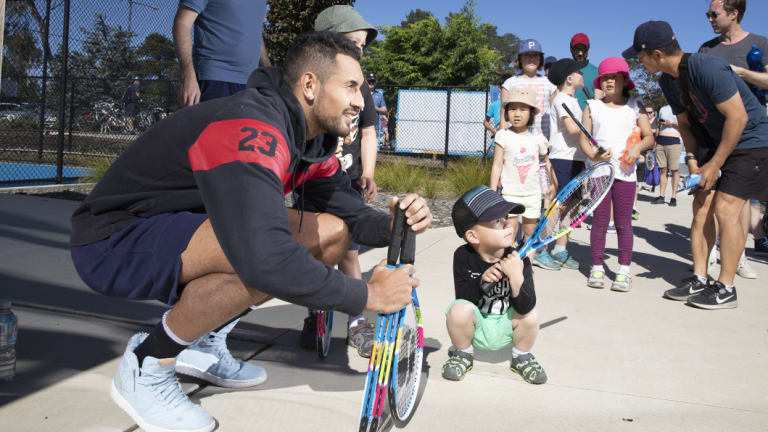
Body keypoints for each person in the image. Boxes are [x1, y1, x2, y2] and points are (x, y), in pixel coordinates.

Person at [69, 32, 432, 431]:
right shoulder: (252, 127)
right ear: (309, 85)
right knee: (270, 254)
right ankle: (148, 364)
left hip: (182, 228)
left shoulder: (312, 142)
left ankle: (203, 341)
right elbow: (267, 258)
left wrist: (398, 222)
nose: (362, 102)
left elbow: (350, 217)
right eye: (350, 87)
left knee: (330, 233)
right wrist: (368, 295)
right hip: (113, 239)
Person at [624, 20, 768, 309]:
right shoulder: (667, 80)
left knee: (726, 208)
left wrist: (715, 164)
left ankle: (726, 287)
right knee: (701, 206)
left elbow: (738, 119)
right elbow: (686, 125)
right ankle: (700, 277)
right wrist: (693, 162)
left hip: (751, 142)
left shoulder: (706, 67)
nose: (637, 61)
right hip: (714, 142)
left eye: (639, 55)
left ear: (656, 53)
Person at [300, 5, 381, 359]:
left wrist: (369, 172)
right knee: (315, 250)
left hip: (345, 181)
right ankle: (316, 315)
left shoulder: (360, 89)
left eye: (362, 45)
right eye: (352, 43)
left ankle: (356, 322)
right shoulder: (312, 83)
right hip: (311, 182)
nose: (359, 51)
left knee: (349, 252)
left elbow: (368, 133)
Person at [443, 185, 546, 384]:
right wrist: (482, 280)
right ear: (473, 236)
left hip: (507, 327)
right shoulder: (463, 256)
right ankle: (463, 353)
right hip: (478, 326)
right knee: (458, 310)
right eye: (497, 221)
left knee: (532, 314)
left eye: (507, 217)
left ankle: (521, 357)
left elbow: (526, 305)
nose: (508, 224)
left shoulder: (519, 258)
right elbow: (463, 297)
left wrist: (516, 278)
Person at [699, 0, 767, 278]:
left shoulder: (760, 43)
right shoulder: (707, 49)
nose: (710, 19)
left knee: (740, 199)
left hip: (750, 134)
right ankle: (714, 249)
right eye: (708, 14)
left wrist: (743, 74)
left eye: (714, 14)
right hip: (715, 133)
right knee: (710, 196)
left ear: (733, 13)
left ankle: (737, 257)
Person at [579, 57, 654, 292]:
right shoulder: (592, 106)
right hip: (600, 173)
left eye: (614, 77)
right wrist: (593, 154)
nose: (609, 81)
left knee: (623, 223)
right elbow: (584, 139)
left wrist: (636, 148)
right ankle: (597, 266)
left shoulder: (636, 106)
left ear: (624, 80)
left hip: (626, 173)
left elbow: (649, 137)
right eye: (605, 78)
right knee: (600, 222)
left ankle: (623, 270)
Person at [173, 0, 271, 106]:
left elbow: (255, 31)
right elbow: (181, 24)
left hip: (251, 84)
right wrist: (188, 77)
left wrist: (268, 70)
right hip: (214, 80)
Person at [489, 88, 551, 254]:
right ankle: (508, 264)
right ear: (507, 112)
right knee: (509, 231)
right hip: (510, 193)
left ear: (531, 113)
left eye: (523, 109)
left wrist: (550, 188)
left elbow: (546, 165)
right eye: (512, 109)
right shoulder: (503, 135)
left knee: (530, 233)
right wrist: (493, 191)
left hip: (533, 194)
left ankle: (527, 267)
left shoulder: (537, 137)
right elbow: (497, 165)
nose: (517, 114)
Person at [546, 58, 587, 270]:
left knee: (573, 206)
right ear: (569, 78)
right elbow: (571, 128)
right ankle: (541, 248)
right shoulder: (561, 99)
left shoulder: (573, 100)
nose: (583, 75)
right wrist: (594, 125)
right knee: (558, 204)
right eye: (579, 72)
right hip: (562, 158)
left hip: (577, 159)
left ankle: (560, 249)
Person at [500, 39, 557, 139]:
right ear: (520, 59)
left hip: (543, 140)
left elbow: (555, 115)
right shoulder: (509, 83)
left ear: (541, 59)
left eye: (535, 55)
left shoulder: (550, 84)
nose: (531, 59)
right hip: (515, 140)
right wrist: (502, 139)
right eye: (527, 55)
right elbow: (503, 116)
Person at [651, 104, 682, 207]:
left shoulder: (680, 107)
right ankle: (661, 196)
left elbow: (684, 125)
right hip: (661, 141)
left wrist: (671, 123)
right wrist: (655, 142)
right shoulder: (663, 108)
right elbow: (659, 125)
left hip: (674, 141)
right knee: (662, 169)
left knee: (674, 170)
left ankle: (673, 197)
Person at [570, 33, 604, 110]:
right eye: (577, 49)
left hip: (589, 118)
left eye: (583, 49)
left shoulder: (597, 72)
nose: (580, 53)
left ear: (588, 49)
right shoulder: (564, 70)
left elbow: (598, 102)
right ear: (571, 50)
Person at [366, 73, 388, 144]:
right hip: (360, 126)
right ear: (366, 81)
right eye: (369, 81)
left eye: (373, 81)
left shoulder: (379, 95)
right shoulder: (360, 93)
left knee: (371, 148)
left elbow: (384, 111)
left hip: (373, 127)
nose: (371, 83)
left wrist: (375, 108)